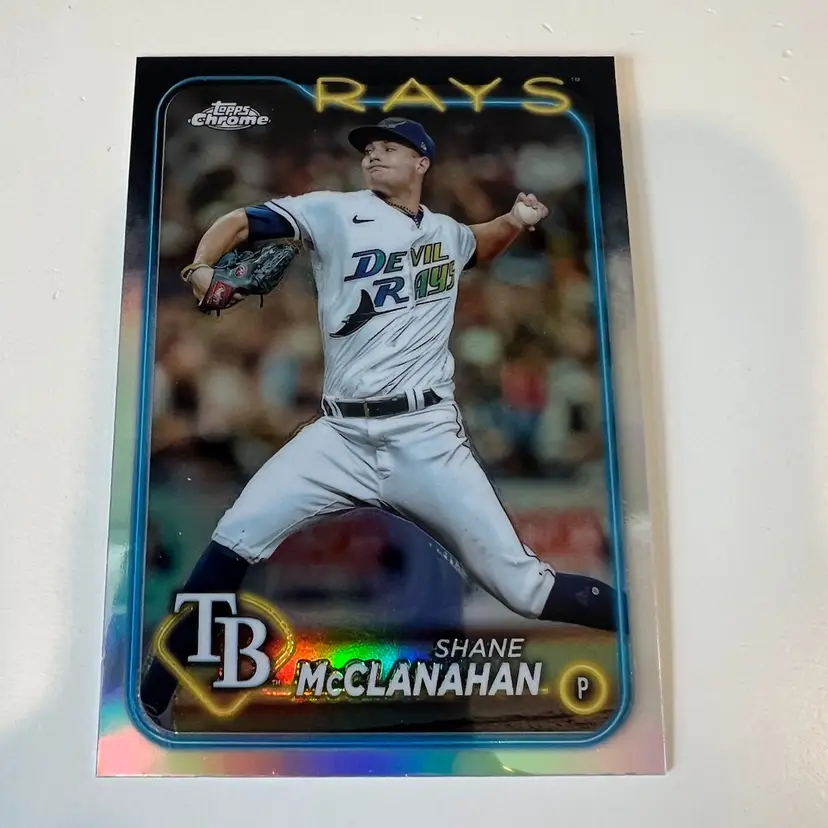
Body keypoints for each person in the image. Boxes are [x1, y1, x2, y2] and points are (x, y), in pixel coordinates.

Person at [141, 117, 621, 728]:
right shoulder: (333, 211)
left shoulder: (444, 232)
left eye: (389, 148)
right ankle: (153, 699)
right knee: (233, 537)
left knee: (526, 590)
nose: (373, 155)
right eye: (368, 148)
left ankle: (652, 626)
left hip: (426, 436)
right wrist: (201, 267)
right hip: (338, 437)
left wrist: (516, 220)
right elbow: (239, 221)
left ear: (422, 162)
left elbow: (479, 242)